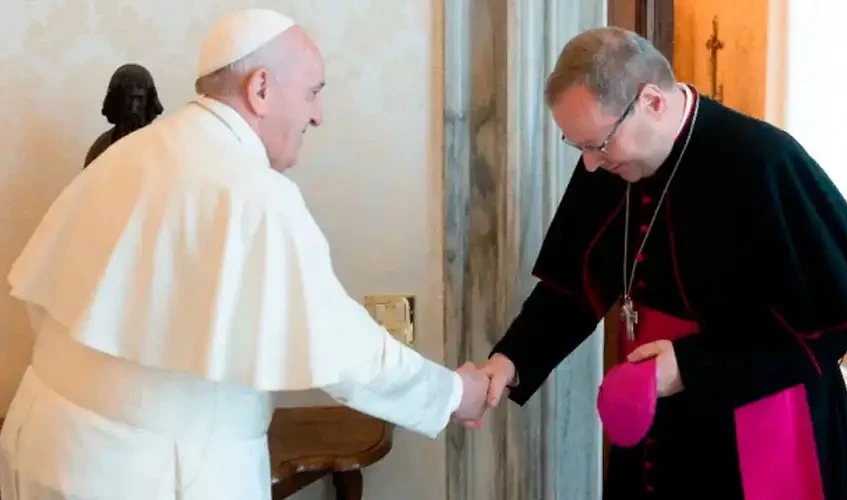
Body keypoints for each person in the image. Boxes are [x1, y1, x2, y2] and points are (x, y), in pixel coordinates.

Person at [0, 9, 487, 500]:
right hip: (155, 473)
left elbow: (51, 304)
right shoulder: (255, 193)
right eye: (312, 93)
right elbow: (344, 352)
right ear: (261, 89)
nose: (317, 115)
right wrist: (454, 395)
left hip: (44, 442)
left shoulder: (128, 152)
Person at [460, 27, 847, 499]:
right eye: (578, 145)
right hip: (655, 415)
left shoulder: (764, 160)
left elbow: (830, 327)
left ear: (652, 101)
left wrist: (692, 366)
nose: (588, 164)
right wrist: (509, 362)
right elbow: (572, 288)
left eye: (597, 144)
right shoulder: (612, 161)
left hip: (757, 420)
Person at [84, 63, 165, 167]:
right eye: (128, 99)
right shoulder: (101, 148)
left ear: (148, 100)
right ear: (117, 101)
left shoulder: (163, 144)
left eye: (139, 99)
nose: (134, 108)